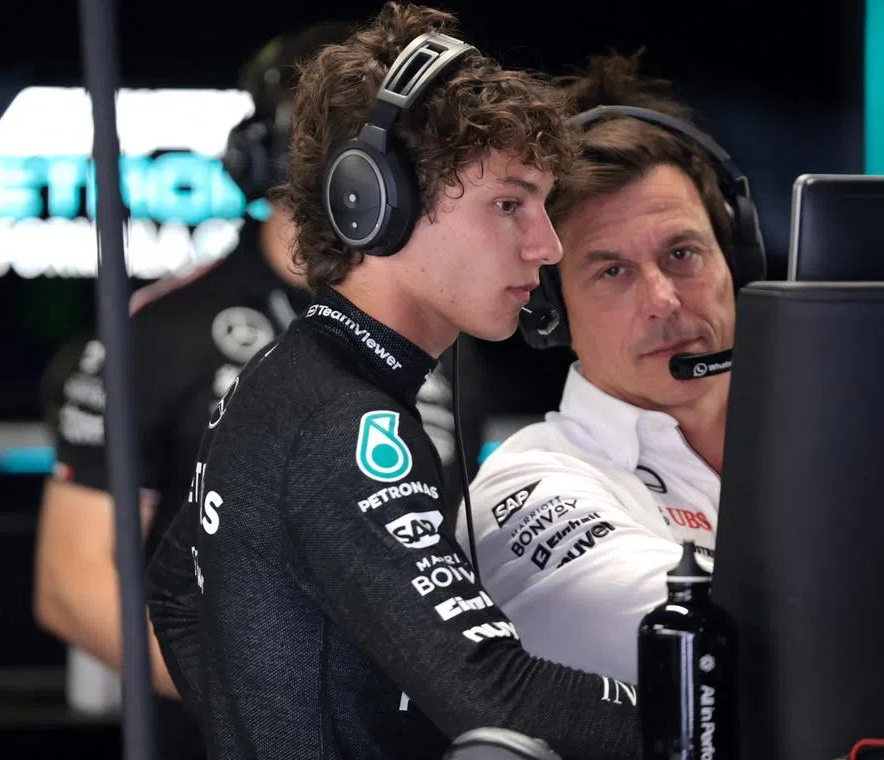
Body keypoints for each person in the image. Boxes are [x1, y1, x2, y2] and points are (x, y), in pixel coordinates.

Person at [145, 5, 641, 760]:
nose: (546, 245)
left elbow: (177, 590)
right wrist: (711, 717)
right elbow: (493, 692)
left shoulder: (291, 371)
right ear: (377, 205)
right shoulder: (347, 424)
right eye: (509, 204)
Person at [30, 20, 440, 760]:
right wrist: (273, 703)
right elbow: (71, 579)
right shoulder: (156, 334)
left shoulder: (448, 330)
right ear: (268, 154)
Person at [457, 51, 767, 685]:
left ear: (735, 261)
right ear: (551, 309)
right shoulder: (523, 491)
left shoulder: (831, 445)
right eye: (612, 271)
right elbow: (718, 650)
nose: (663, 300)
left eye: (683, 253)